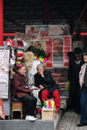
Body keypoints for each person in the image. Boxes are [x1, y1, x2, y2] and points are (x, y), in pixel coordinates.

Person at [68, 47, 84, 114]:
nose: (76, 55)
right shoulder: (72, 58)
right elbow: (70, 69)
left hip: (81, 79)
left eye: (77, 54)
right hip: (73, 79)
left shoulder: (84, 59)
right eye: (75, 54)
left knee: (79, 94)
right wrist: (69, 79)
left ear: (80, 53)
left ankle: (78, 109)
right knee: (73, 93)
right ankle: (74, 106)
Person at [77, 52, 87, 127]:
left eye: (85, 58)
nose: (84, 60)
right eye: (84, 58)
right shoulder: (83, 66)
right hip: (84, 88)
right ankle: (83, 121)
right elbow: (80, 75)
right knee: (83, 103)